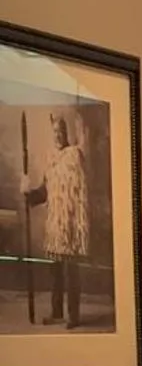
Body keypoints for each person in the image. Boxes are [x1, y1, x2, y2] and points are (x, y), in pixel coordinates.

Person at [25, 110, 90, 327]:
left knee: (72, 273)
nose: (58, 135)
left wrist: (81, 124)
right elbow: (45, 192)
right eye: (54, 132)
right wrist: (29, 193)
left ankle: (73, 315)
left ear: (66, 133)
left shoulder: (75, 154)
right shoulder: (51, 160)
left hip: (71, 224)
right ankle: (57, 312)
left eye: (61, 131)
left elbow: (84, 142)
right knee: (56, 271)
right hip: (55, 225)